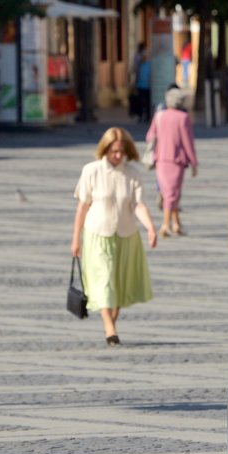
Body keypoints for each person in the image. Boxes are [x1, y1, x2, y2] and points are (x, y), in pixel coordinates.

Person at [70, 128, 158, 346]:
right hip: (98, 234)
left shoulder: (132, 173)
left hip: (126, 234)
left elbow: (138, 205)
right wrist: (75, 239)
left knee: (119, 285)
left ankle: (111, 324)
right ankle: (109, 327)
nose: (118, 156)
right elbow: (82, 207)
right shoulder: (91, 171)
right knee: (105, 280)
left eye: (121, 151)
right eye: (114, 151)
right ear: (105, 149)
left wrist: (150, 228)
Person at [146, 87, 198, 237]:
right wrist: (193, 162)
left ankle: (176, 224)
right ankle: (165, 225)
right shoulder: (183, 118)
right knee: (171, 193)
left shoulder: (159, 116)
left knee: (169, 192)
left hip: (161, 159)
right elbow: (188, 142)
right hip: (176, 160)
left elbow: (150, 136)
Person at [134, 46, 153, 124]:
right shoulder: (140, 64)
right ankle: (140, 116)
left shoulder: (149, 64)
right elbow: (137, 74)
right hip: (140, 85)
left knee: (148, 102)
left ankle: (148, 116)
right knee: (140, 102)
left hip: (148, 86)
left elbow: (151, 74)